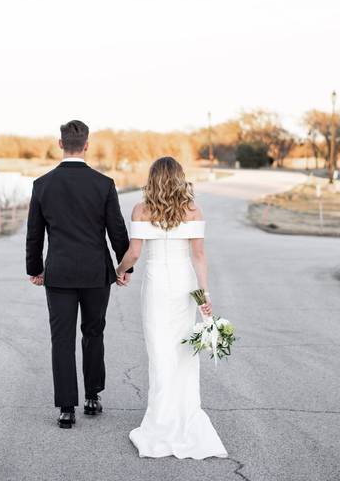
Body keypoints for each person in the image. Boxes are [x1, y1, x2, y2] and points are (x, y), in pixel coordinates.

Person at [114, 156, 228, 459]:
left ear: (152, 179)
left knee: (159, 352)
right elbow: (199, 256)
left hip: (155, 286)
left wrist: (119, 270)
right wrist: (203, 296)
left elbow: (135, 253)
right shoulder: (193, 210)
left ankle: (161, 421)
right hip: (183, 284)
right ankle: (185, 415)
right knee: (183, 352)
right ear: (180, 178)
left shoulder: (141, 209)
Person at [25, 120, 131, 429]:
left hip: (58, 274)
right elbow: (117, 231)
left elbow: (35, 235)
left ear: (59, 144)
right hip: (96, 273)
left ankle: (66, 409)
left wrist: (35, 268)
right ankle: (93, 397)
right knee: (93, 333)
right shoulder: (104, 184)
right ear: (87, 145)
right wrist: (124, 267)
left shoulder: (42, 184)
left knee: (62, 339)